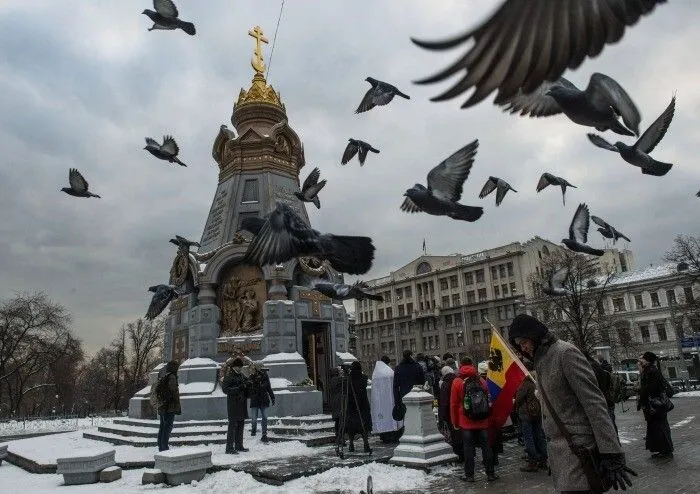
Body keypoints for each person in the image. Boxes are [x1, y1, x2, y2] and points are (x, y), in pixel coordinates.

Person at [509, 314, 635, 493]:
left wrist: (611, 452)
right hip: (563, 455)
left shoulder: (565, 353)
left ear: (534, 335)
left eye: (524, 342)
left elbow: (594, 404)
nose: (523, 348)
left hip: (580, 453)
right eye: (519, 345)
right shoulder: (542, 360)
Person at [450, 356, 497, 482]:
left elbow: (454, 404)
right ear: (472, 365)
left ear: (460, 366)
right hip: (482, 420)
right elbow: (488, 399)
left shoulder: (457, 382)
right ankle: (491, 473)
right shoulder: (481, 380)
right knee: (486, 447)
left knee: (468, 448)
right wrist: (489, 416)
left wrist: (455, 422)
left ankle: (469, 475)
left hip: (465, 421)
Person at [637, 351, 674, 458]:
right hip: (653, 405)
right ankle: (662, 450)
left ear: (647, 360)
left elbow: (653, 387)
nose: (641, 361)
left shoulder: (652, 371)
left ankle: (666, 451)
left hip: (657, 405)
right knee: (656, 428)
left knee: (661, 428)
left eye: (643, 359)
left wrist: (641, 390)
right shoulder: (648, 370)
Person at [514, 368, 548, 472]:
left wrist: (515, 405)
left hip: (526, 414)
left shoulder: (526, 384)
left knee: (528, 437)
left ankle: (533, 462)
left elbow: (519, 398)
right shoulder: (537, 381)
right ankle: (543, 458)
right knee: (538, 436)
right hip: (537, 413)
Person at [221, 357, 251, 454]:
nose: (239, 368)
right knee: (232, 427)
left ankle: (239, 445)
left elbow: (246, 383)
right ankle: (229, 448)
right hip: (233, 405)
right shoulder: (229, 376)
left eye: (241, 367)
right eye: (238, 367)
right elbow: (225, 390)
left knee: (241, 425)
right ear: (234, 367)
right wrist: (239, 388)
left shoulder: (241, 375)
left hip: (241, 404)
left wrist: (248, 384)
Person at [372, 356, 402, 443]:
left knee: (382, 417)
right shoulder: (389, 372)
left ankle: (384, 436)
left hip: (380, 401)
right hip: (389, 399)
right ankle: (393, 436)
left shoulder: (376, 372)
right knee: (390, 416)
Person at [345, 361, 372, 454]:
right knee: (363, 424)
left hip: (351, 404)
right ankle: (366, 443)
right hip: (363, 404)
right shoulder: (363, 378)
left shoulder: (349, 379)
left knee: (351, 426)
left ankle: (351, 444)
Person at [438, 365, 463, 461]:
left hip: (450, 412)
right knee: (462, 433)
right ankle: (467, 453)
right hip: (461, 411)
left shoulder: (445, 383)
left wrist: (442, 416)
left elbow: (444, 402)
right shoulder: (459, 380)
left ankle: (459, 455)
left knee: (455, 434)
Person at [155, 360, 181, 452]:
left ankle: (160, 445)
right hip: (169, 407)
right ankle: (164, 447)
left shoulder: (165, 377)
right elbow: (173, 392)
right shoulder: (172, 377)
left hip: (163, 406)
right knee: (167, 427)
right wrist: (175, 401)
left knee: (163, 426)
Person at [249, 363, 275, 443]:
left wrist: (272, 397)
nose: (263, 370)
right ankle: (253, 430)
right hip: (255, 400)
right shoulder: (252, 376)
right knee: (254, 418)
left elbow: (269, 388)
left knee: (265, 417)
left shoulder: (265, 377)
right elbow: (249, 387)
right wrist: (254, 381)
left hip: (264, 399)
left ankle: (264, 434)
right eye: (261, 368)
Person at [329, 367, 343, 441]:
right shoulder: (337, 380)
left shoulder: (332, 380)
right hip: (339, 403)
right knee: (340, 421)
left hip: (335, 403)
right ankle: (339, 437)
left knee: (338, 421)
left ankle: (338, 435)